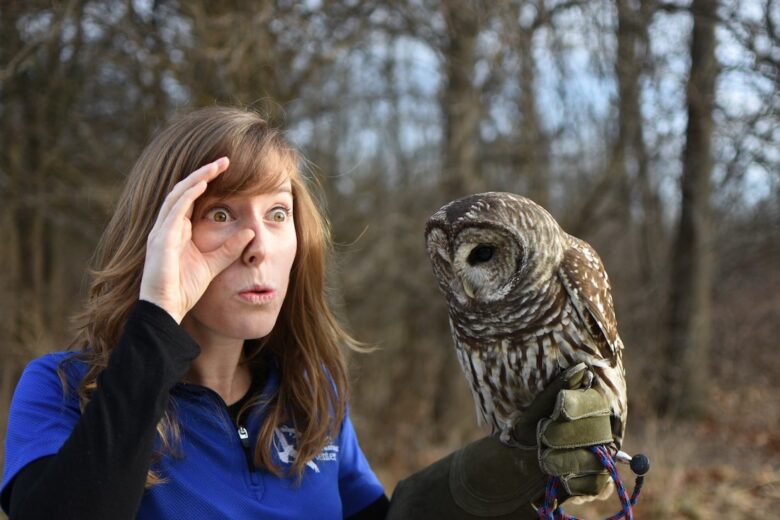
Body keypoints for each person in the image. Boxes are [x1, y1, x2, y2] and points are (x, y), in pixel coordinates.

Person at [1, 106, 612, 519]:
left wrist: (514, 468)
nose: (258, 245)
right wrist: (156, 320)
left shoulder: (309, 394)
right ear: (158, 234)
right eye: (221, 214)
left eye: (276, 214)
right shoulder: (63, 390)